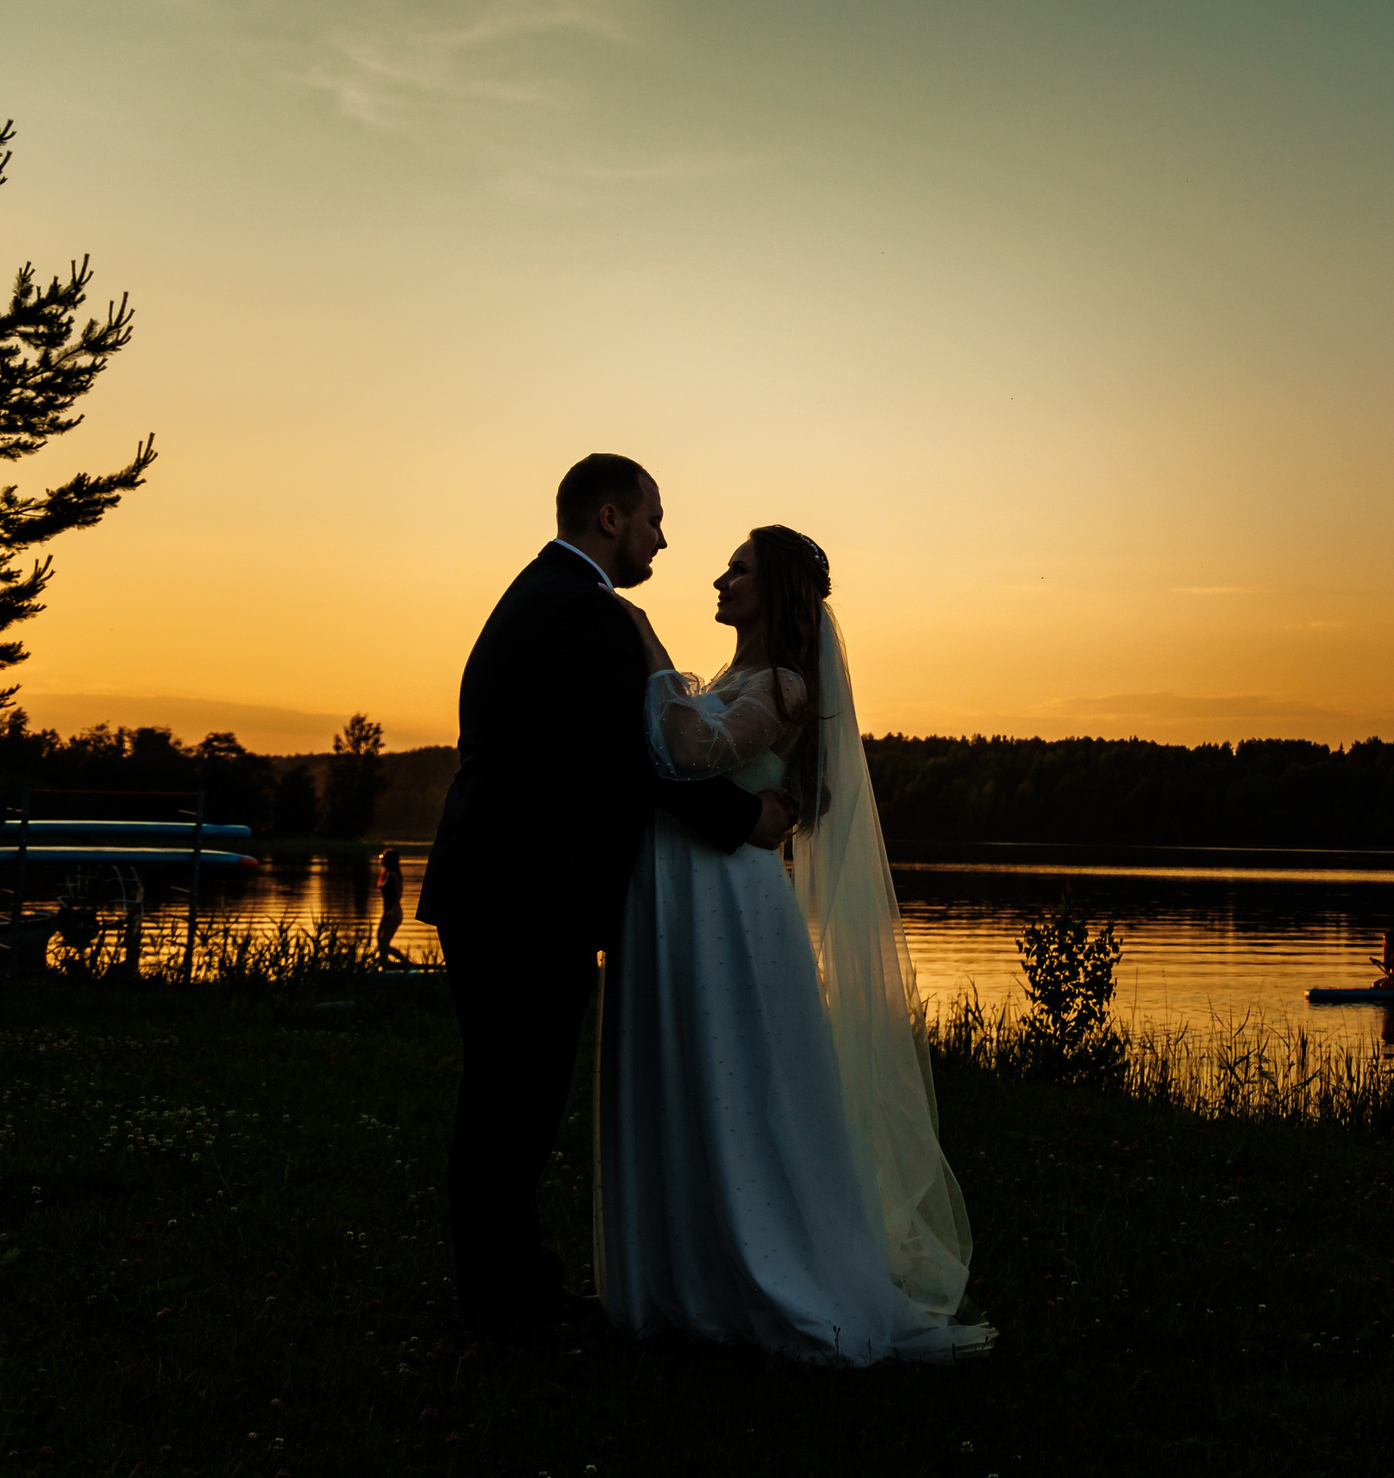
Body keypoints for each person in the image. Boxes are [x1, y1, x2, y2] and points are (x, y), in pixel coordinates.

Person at [417, 455, 794, 1342]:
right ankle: (506, 1305)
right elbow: (637, 757)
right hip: (522, 893)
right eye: (656, 519)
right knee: (513, 1102)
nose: (665, 538)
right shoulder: (581, 612)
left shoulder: (548, 595)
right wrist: (744, 817)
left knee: (508, 1098)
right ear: (612, 515)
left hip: (504, 886)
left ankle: (510, 1288)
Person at [602, 525, 990, 1365]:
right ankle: (693, 1265)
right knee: (694, 1073)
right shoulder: (735, 677)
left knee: (742, 1083)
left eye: (736, 568)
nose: (718, 577)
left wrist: (646, 646)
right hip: (690, 899)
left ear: (773, 590)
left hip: (735, 908)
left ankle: (767, 1264)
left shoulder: (781, 685)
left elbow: (693, 749)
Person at [374, 847, 410, 966]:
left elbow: (398, 895)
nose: (382, 860)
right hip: (387, 912)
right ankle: (383, 964)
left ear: (390, 860)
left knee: (384, 943)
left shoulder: (394, 875)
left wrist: (392, 911)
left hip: (394, 912)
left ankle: (407, 963)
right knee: (379, 939)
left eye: (384, 858)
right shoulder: (385, 874)